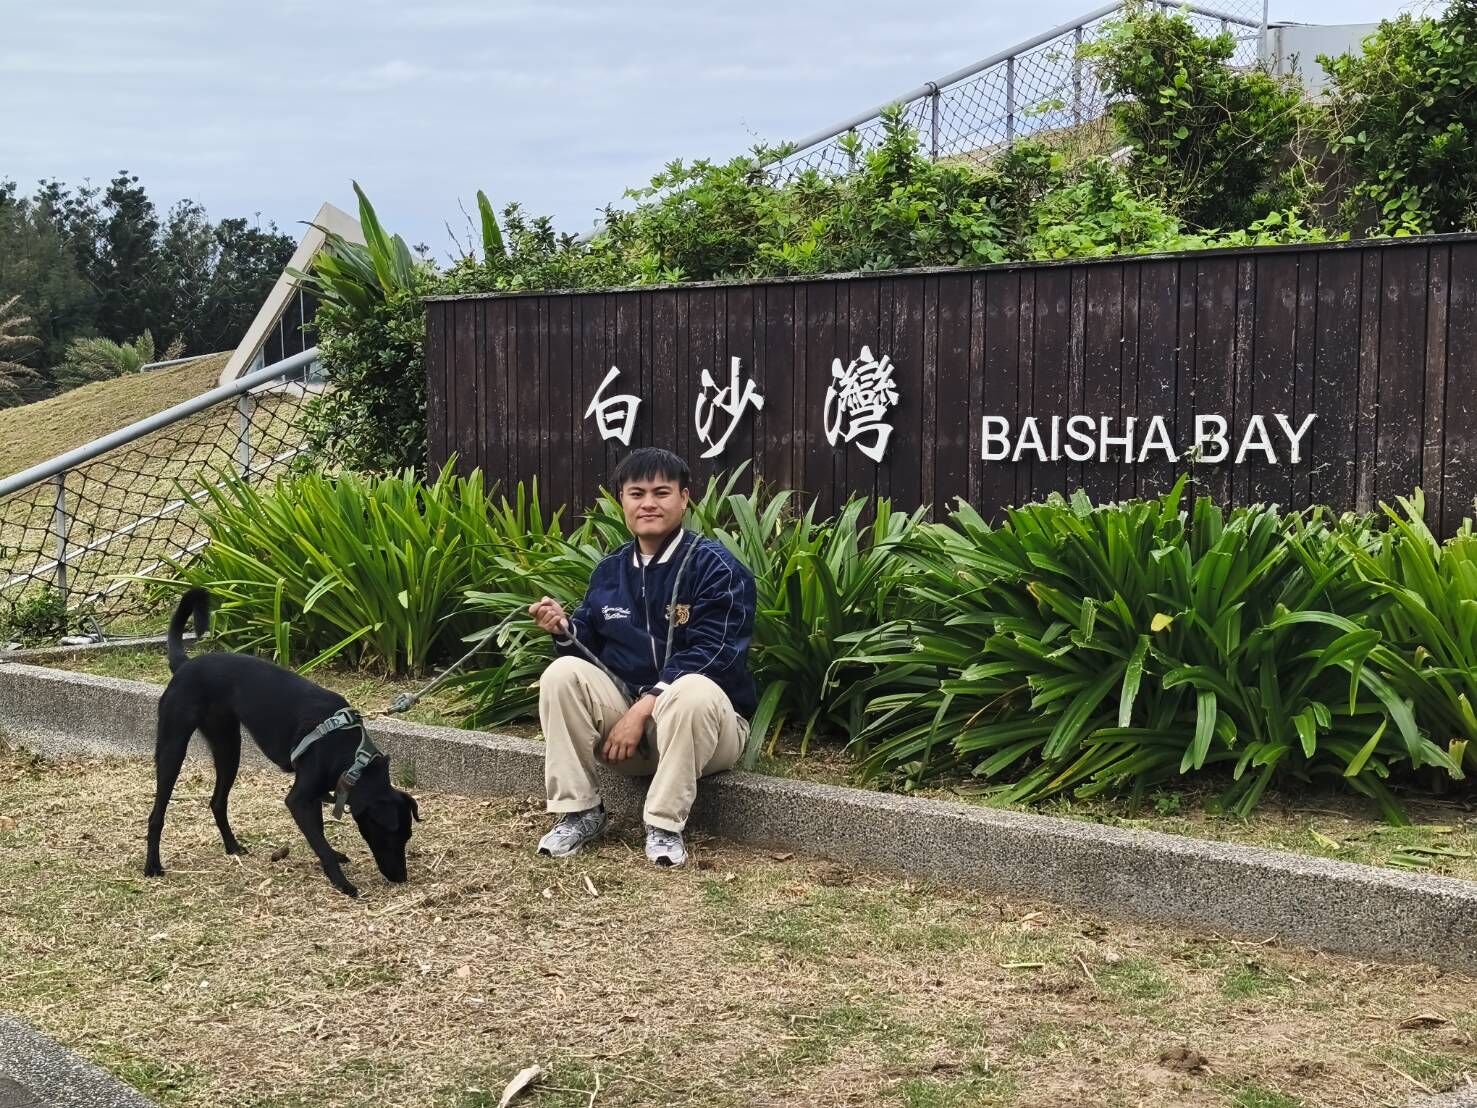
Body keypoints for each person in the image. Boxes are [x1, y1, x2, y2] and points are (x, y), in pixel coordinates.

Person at [528, 448, 757, 867]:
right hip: (628, 737)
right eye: (637, 493)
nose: (648, 503)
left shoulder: (718, 569)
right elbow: (589, 649)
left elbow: (714, 654)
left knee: (693, 689)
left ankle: (665, 825)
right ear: (622, 501)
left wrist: (642, 710)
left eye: (661, 492)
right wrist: (563, 629)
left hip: (706, 734)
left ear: (685, 499)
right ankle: (579, 812)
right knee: (562, 673)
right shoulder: (610, 569)